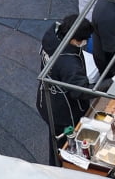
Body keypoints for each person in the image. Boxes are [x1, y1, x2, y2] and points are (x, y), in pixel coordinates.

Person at [37, 15, 95, 163]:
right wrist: (109, 83)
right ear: (74, 40)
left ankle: (55, 163)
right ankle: (59, 168)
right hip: (65, 111)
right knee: (65, 146)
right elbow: (80, 91)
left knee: (55, 139)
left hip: (46, 99)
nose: (84, 43)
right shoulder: (68, 61)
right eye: (83, 40)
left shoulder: (51, 38)